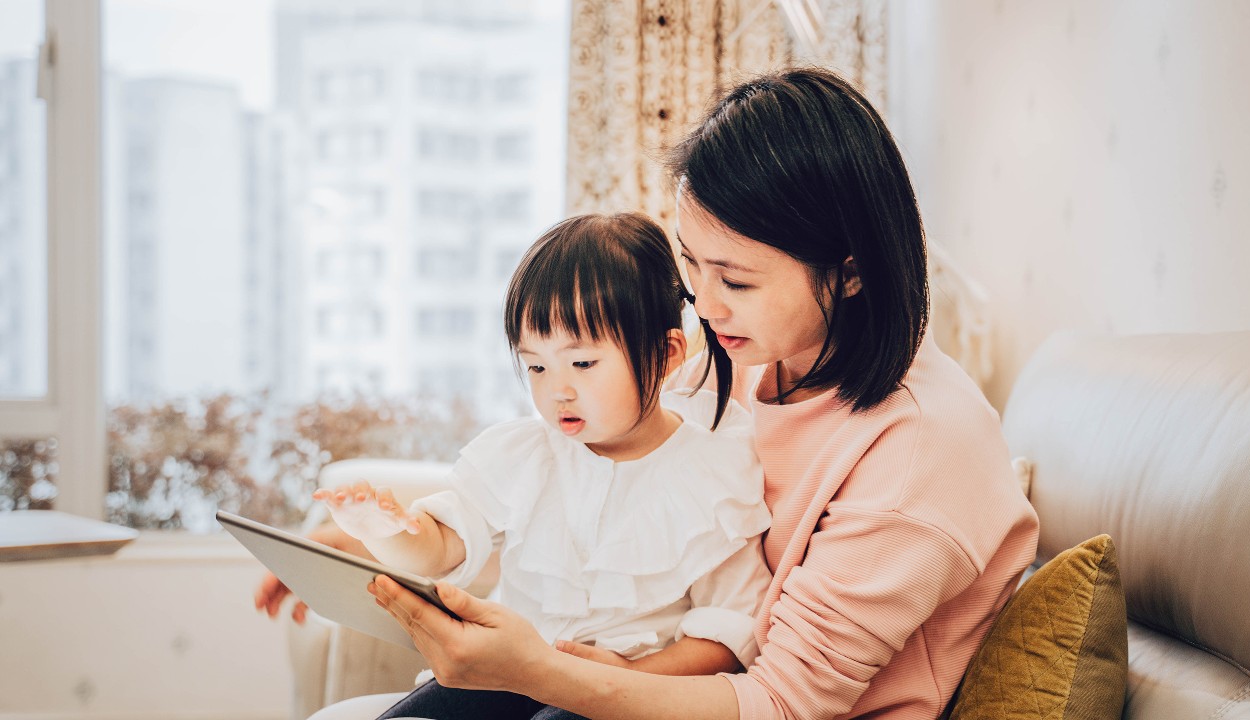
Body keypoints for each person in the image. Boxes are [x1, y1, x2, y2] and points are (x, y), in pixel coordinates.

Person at [356, 66, 1040, 720]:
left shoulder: (918, 452)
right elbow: (593, 476)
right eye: (692, 265)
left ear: (850, 273)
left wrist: (538, 669)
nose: (703, 306)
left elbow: (778, 704)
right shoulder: (742, 357)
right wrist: (374, 540)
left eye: (736, 281)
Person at [311, 212, 773, 720]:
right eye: (536, 366)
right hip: (511, 672)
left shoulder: (711, 468)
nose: (558, 390)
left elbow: (728, 634)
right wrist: (385, 530)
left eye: (582, 364)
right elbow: (440, 548)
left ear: (666, 355)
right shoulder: (523, 455)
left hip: (633, 690)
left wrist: (628, 676)